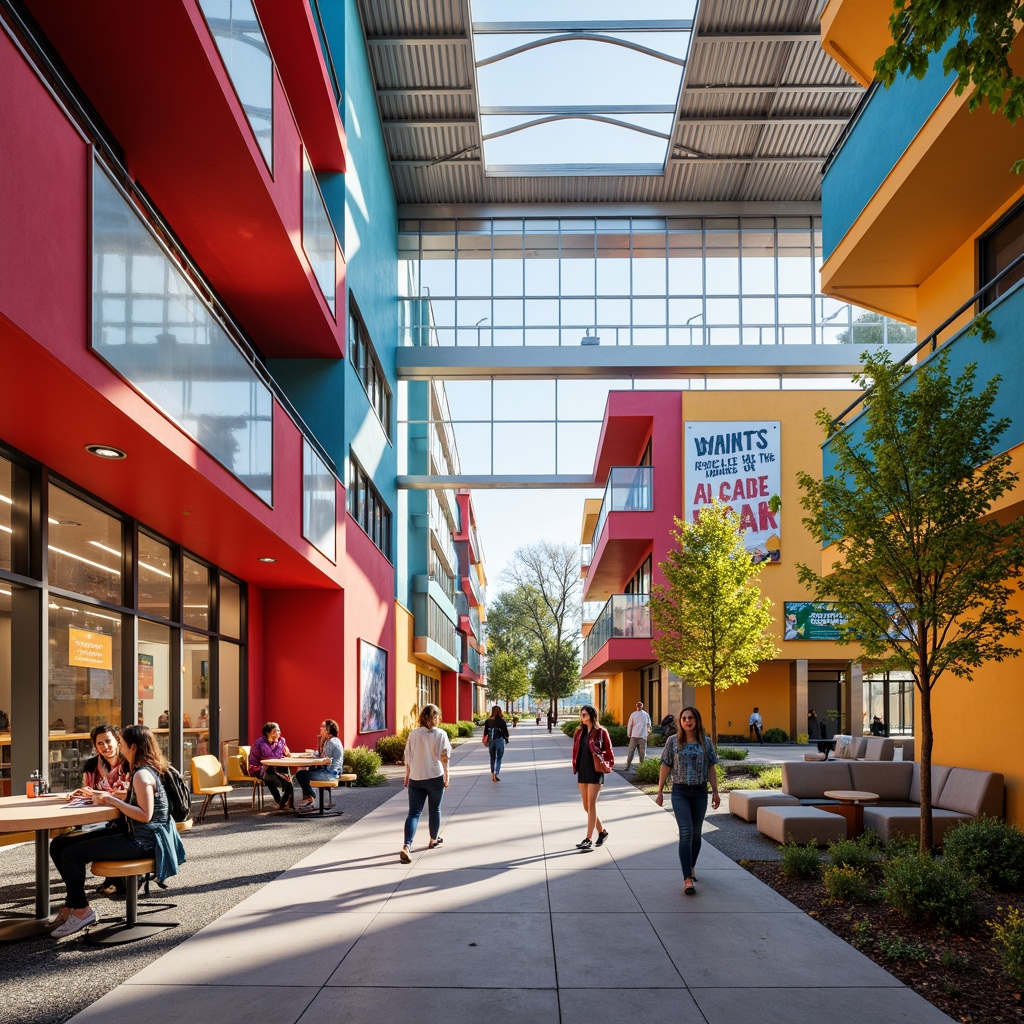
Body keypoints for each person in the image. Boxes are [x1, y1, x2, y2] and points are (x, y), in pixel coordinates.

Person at [48, 724, 185, 938]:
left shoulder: (142, 774)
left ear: (132, 746)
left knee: (71, 855)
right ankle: (72, 905)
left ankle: (82, 910)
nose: (117, 746)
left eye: (120, 742)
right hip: (136, 834)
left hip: (143, 842)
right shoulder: (146, 769)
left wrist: (111, 799)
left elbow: (145, 815)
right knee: (59, 844)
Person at [656, 706, 720, 896]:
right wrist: (660, 791)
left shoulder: (706, 742)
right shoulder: (672, 742)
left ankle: (691, 866)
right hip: (680, 792)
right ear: (680, 722)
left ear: (697, 720)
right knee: (686, 832)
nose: (688, 721)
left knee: (697, 833)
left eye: (691, 718)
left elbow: (711, 768)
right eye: (684, 718)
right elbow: (665, 766)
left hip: (700, 792)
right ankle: (687, 878)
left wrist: (715, 792)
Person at [63, 725, 130, 897]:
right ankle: (76, 889)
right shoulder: (92, 765)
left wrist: (106, 794)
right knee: (60, 844)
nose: (105, 746)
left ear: (117, 740)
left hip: (128, 818)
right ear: (95, 746)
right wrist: (82, 793)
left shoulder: (130, 763)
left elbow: (133, 794)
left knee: (74, 849)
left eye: (108, 741)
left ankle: (116, 879)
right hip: (101, 815)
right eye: (100, 743)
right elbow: (89, 790)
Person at [400, 704, 451, 862]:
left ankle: (406, 846)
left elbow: (408, 756)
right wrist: (447, 775)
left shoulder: (413, 734)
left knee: (413, 813)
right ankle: (433, 840)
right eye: (437, 716)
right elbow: (444, 757)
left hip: (416, 777)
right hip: (435, 776)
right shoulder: (441, 734)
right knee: (435, 809)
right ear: (434, 718)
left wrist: (407, 775)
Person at [570, 704, 614, 852]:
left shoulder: (601, 732)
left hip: (595, 770)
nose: (582, 717)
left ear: (591, 716)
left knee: (592, 804)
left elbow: (608, 750)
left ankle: (588, 839)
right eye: (581, 715)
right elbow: (577, 751)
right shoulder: (579, 732)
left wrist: (608, 764)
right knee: (586, 806)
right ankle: (602, 832)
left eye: (584, 715)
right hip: (583, 770)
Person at [294, 719, 344, 812]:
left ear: (328, 730)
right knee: (310, 769)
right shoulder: (329, 740)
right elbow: (321, 755)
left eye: (323, 727)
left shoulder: (332, 742)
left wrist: (315, 757)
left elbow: (324, 759)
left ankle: (313, 798)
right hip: (329, 771)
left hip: (330, 773)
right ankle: (313, 801)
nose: (320, 728)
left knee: (301, 775)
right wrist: (312, 754)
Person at [249, 721, 294, 811]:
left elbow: (283, 754)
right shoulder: (261, 743)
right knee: (271, 779)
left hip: (276, 768)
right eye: (277, 730)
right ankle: (282, 802)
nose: (279, 732)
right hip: (260, 768)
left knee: (289, 783)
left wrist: (287, 754)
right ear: (271, 733)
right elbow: (262, 758)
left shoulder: (281, 741)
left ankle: (282, 803)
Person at [483, 705, 509, 782]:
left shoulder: (488, 721)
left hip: (491, 741)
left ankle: (492, 775)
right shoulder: (501, 721)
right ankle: (496, 773)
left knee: (492, 758)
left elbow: (485, 733)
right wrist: (506, 738)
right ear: (500, 711)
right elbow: (506, 733)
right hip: (499, 740)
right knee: (499, 757)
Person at [624, 700, 652, 772]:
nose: (639, 707)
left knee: (631, 751)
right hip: (642, 736)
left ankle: (628, 766)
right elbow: (649, 725)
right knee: (642, 753)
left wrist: (629, 734)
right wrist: (648, 733)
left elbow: (630, 725)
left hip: (634, 736)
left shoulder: (633, 714)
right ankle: (642, 767)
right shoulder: (646, 714)